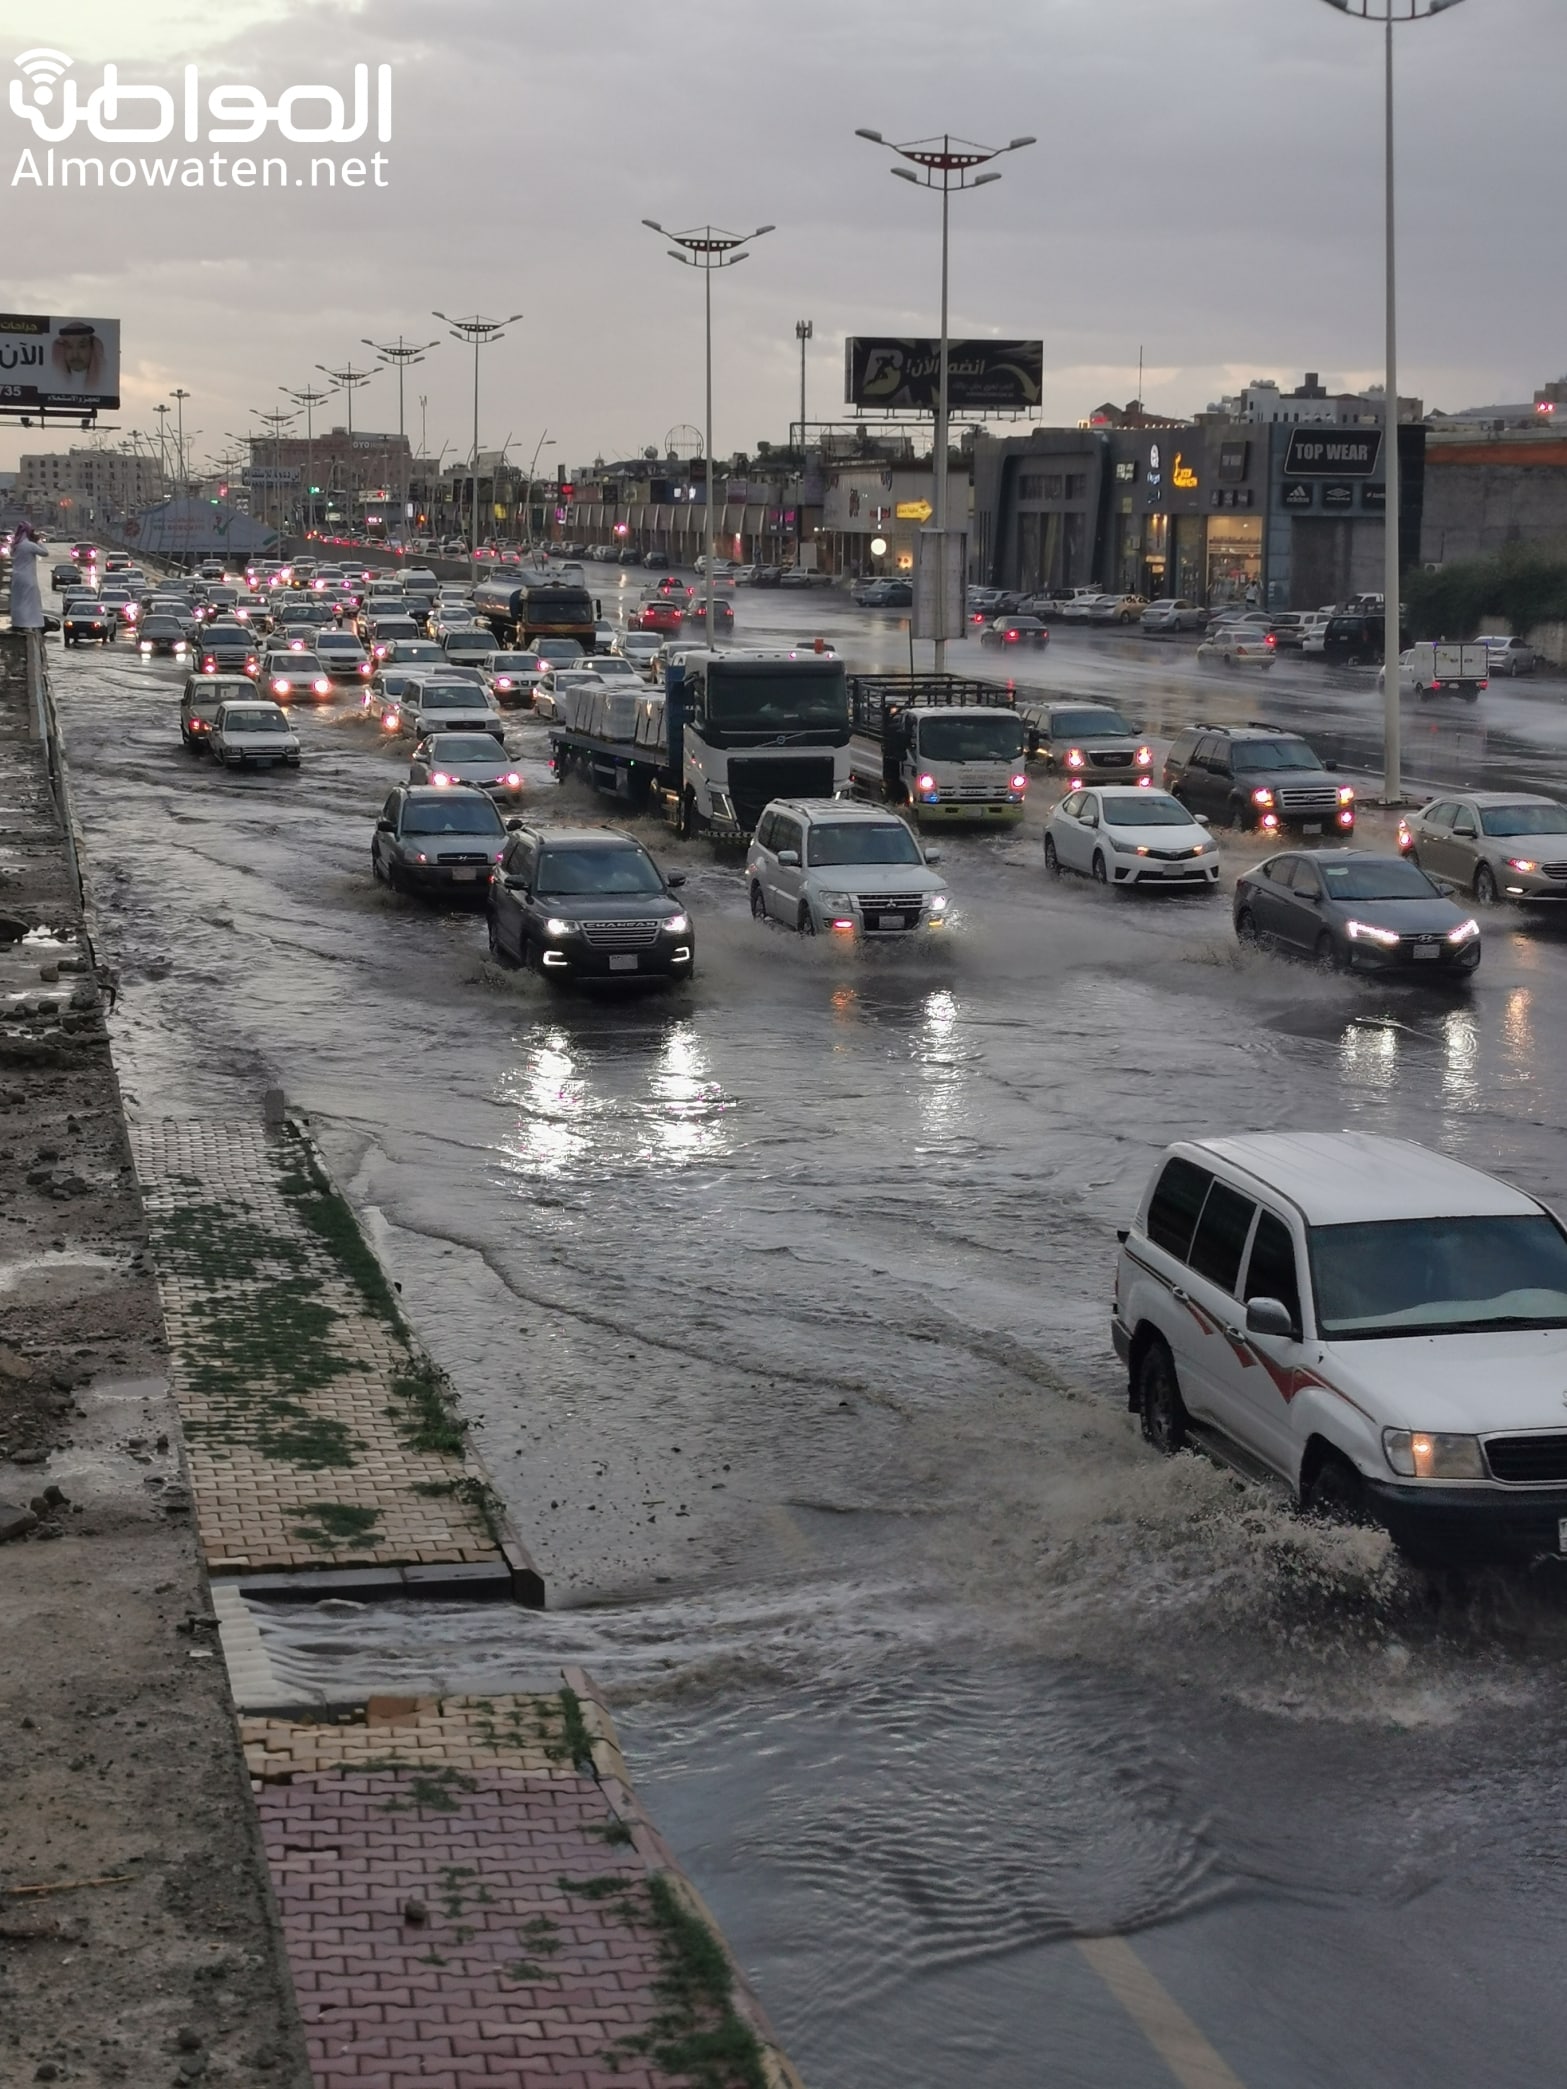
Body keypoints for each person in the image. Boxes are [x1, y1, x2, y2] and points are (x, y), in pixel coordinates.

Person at [7, 524, 49, 633]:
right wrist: (39, 540)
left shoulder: (15, 546)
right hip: (28, 578)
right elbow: (45, 553)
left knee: (18, 601)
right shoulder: (29, 545)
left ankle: (17, 623)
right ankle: (29, 623)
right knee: (30, 602)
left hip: (17, 578)